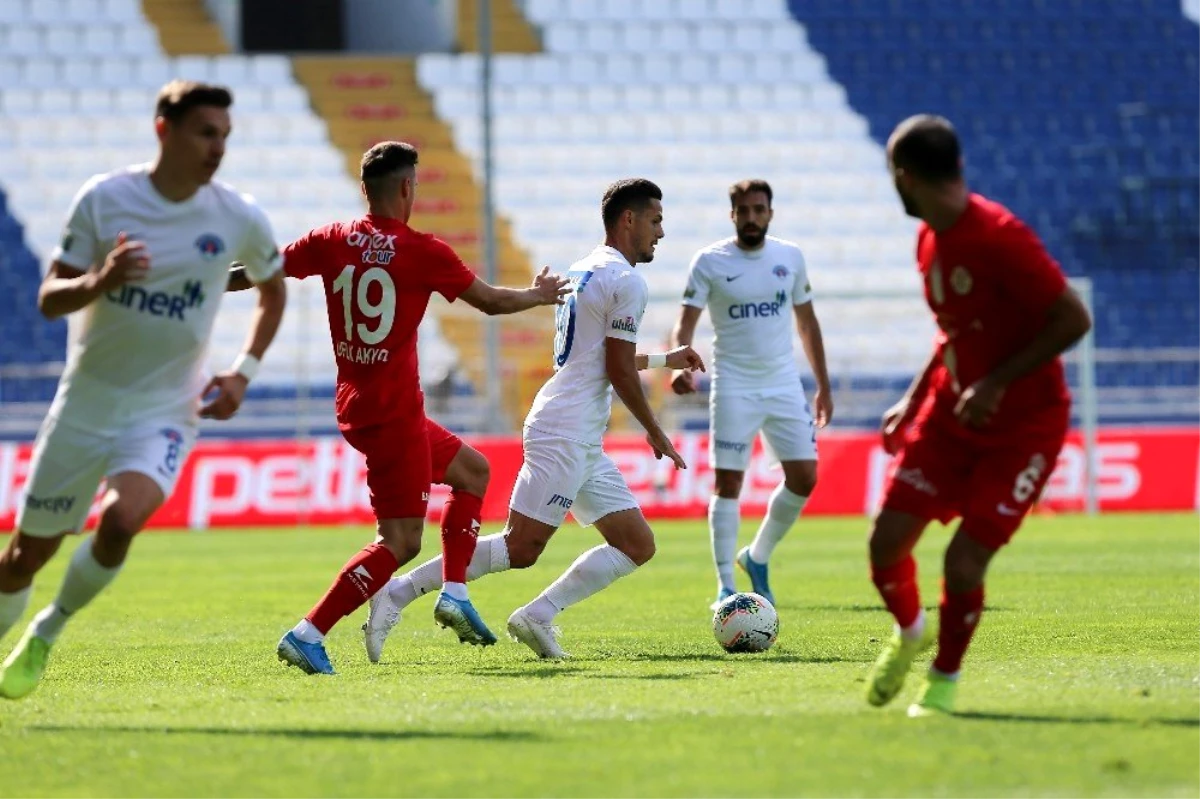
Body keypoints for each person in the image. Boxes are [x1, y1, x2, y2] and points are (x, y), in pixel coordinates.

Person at [0, 80, 288, 699]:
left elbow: (273, 289)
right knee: (24, 557)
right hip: (86, 403)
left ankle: (50, 628)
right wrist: (102, 279)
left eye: (225, 137)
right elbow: (50, 298)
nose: (218, 148)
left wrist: (243, 372)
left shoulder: (237, 214)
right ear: (165, 128)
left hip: (164, 409)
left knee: (122, 521)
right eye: (205, 133)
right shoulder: (106, 200)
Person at [257, 141, 570, 675]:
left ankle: (454, 592)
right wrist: (539, 295)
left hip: (360, 406)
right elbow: (491, 302)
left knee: (473, 470)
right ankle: (308, 632)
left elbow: (261, 268)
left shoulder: (330, 240)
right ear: (407, 188)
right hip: (394, 418)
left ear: (364, 188)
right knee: (399, 542)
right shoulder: (423, 251)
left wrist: (199, 278)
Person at [363, 178, 706, 660]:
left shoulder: (585, 269)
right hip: (565, 430)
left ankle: (537, 615)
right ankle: (397, 593)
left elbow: (599, 356)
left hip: (578, 433)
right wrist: (654, 431)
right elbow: (614, 367)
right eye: (656, 221)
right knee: (520, 548)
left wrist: (665, 360)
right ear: (628, 219)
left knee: (635, 543)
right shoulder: (627, 281)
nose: (661, 233)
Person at [865, 115, 1092, 717]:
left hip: (1023, 428)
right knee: (886, 542)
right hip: (949, 413)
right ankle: (912, 633)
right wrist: (912, 402)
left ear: (904, 177)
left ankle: (942, 681)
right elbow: (953, 334)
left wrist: (996, 382)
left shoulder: (1000, 236)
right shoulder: (930, 239)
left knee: (962, 562)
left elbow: (1074, 319)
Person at [669, 180, 833, 610]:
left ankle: (756, 558)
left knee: (805, 477)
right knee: (728, 483)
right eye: (743, 211)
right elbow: (684, 321)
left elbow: (807, 323)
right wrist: (680, 360)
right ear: (732, 215)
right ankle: (725, 584)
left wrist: (824, 386)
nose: (751, 218)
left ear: (770, 214)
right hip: (734, 385)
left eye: (759, 210)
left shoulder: (790, 257)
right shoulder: (709, 261)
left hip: (782, 384)